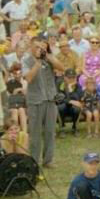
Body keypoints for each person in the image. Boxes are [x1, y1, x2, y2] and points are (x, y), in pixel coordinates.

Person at [24, 35, 63, 171]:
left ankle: (48, 160)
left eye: (42, 46)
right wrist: (38, 62)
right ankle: (34, 161)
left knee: (50, 131)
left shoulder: (49, 58)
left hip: (50, 99)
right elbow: (28, 78)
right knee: (34, 133)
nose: (39, 49)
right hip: (35, 101)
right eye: (37, 46)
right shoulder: (26, 60)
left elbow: (61, 67)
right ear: (31, 46)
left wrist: (47, 56)